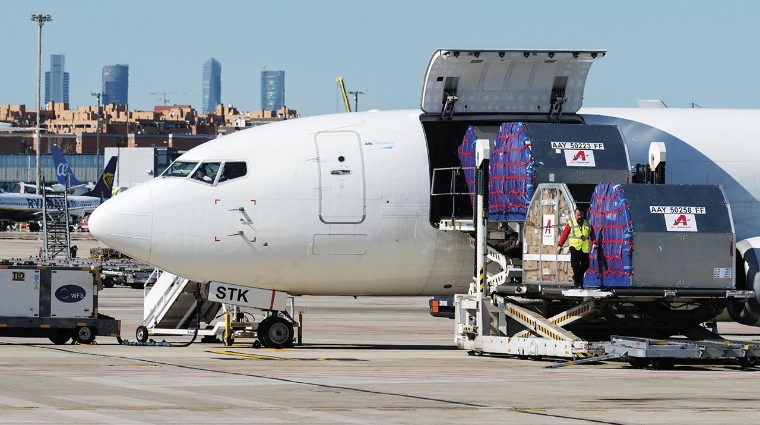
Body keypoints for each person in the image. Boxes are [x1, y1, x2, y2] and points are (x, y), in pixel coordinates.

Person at [556, 207, 596, 287]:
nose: (579, 217)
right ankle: (578, 283)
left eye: (581, 215)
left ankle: (576, 277)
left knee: (586, 265)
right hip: (574, 247)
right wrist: (560, 245)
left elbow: (592, 234)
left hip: (584, 248)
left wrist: (594, 242)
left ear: (583, 215)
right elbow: (564, 235)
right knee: (575, 265)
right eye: (578, 215)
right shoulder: (571, 223)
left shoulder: (588, 223)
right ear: (575, 215)